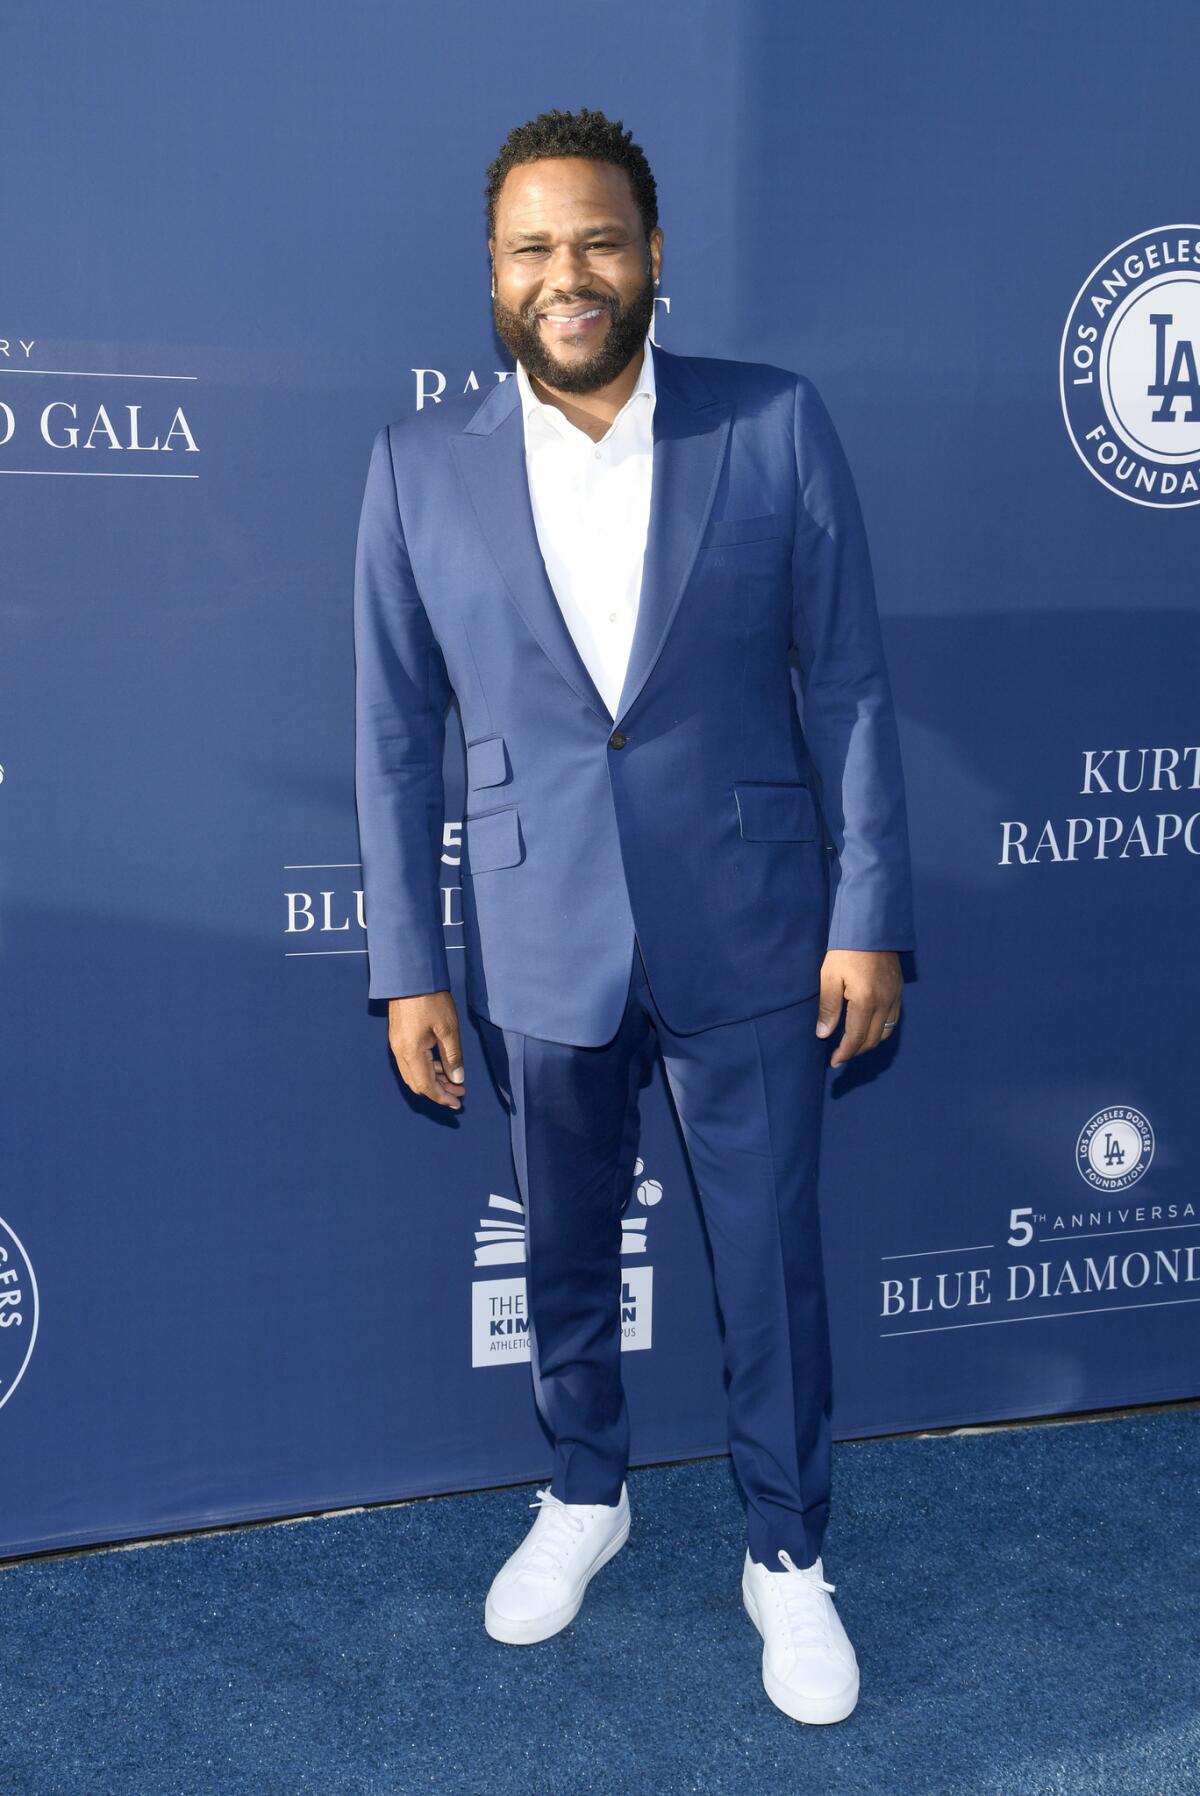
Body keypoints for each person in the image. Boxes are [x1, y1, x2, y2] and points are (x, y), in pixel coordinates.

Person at [353, 106, 915, 1726]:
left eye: (598, 239)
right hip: (535, 929)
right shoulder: (412, 468)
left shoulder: (773, 425)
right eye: (534, 248)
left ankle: (787, 1554)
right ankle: (584, 1490)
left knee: (768, 1259)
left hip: (753, 915)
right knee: (569, 1249)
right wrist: (409, 967)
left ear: (655, 256)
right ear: (493, 273)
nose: (568, 273)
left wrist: (867, 907)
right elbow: (395, 740)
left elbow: (857, 686)